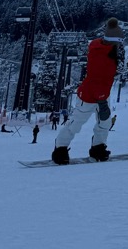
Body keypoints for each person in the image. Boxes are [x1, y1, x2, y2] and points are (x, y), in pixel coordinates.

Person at [52, 17, 124, 164]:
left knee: (104, 122)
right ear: (113, 40)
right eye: (119, 41)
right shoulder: (102, 55)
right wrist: (102, 101)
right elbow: (97, 78)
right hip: (90, 95)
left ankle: (98, 147)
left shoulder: (106, 48)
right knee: (78, 122)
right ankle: (60, 148)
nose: (120, 44)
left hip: (102, 93)